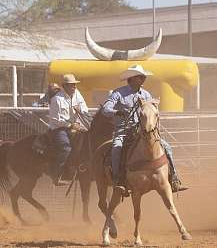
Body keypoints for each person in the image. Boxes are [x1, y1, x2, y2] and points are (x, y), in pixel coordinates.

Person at [102, 64, 187, 194]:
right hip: (123, 131)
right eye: (140, 77)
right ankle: (118, 180)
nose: (143, 78)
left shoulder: (146, 95)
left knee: (167, 147)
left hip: (142, 131)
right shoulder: (118, 93)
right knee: (116, 148)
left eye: (143, 77)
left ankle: (173, 179)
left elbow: (152, 111)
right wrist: (116, 112)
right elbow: (105, 109)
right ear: (131, 78)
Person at [48, 74, 89, 186]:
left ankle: (79, 168)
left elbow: (85, 108)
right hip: (59, 129)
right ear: (65, 86)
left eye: (75, 85)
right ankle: (56, 175)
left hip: (76, 125)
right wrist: (71, 125)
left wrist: (81, 109)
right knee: (65, 148)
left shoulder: (77, 95)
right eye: (71, 85)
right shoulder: (57, 99)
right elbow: (56, 119)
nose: (74, 87)